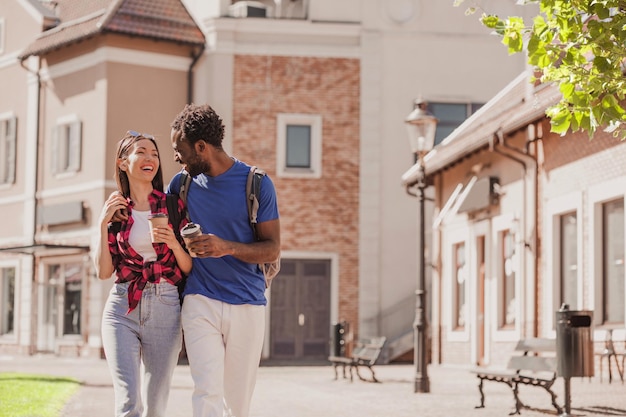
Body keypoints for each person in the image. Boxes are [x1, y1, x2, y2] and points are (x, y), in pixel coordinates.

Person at [168, 104, 281, 417]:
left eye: (180, 150)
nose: (176, 157)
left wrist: (226, 247)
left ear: (202, 147)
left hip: (247, 303)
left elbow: (272, 248)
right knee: (207, 391)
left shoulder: (257, 184)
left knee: (238, 402)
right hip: (200, 300)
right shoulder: (181, 186)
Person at [94, 130, 193, 417]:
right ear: (123, 163)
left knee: (155, 406)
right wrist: (102, 224)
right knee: (127, 403)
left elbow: (188, 267)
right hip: (122, 306)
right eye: (141, 152)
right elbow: (103, 272)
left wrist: (173, 242)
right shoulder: (116, 212)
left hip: (165, 303)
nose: (150, 158)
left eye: (155, 153)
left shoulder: (172, 205)